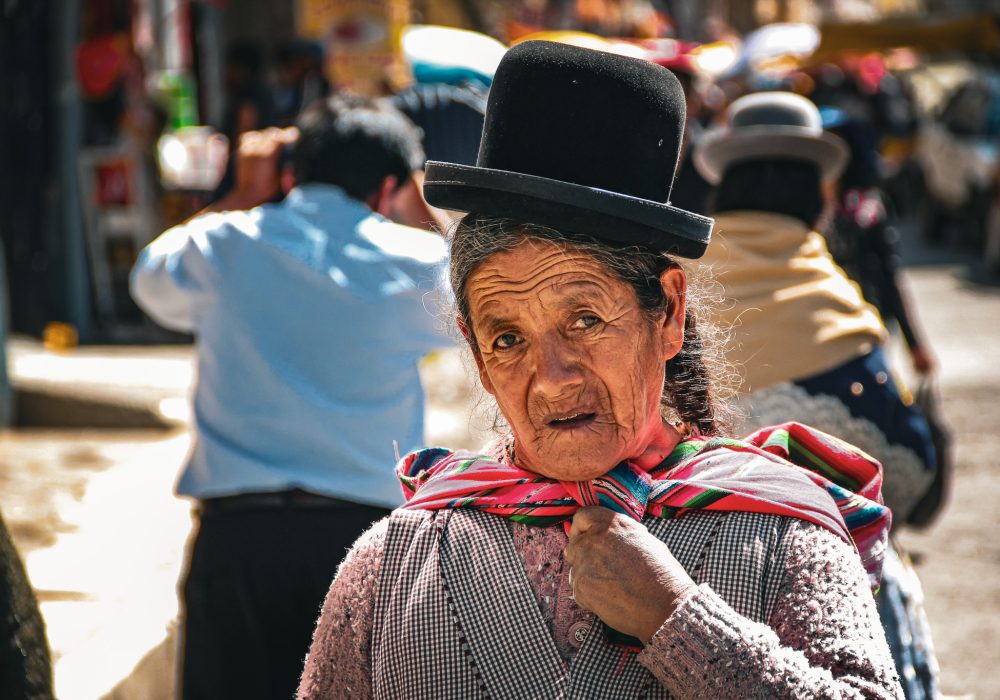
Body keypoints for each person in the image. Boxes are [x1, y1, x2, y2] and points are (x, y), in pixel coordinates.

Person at [298, 41, 902, 699]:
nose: (551, 378)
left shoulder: (784, 535)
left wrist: (677, 618)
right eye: (507, 338)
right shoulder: (391, 565)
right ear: (476, 352)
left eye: (584, 320)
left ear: (668, 313)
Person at [130, 95, 451, 699]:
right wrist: (422, 208)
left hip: (237, 536)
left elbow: (150, 281)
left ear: (287, 173)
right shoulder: (421, 261)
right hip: (363, 542)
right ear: (389, 187)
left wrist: (239, 197)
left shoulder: (223, 242)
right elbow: (482, 300)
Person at [693, 91, 939, 699]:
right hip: (849, 602)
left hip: (689, 601)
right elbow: (910, 474)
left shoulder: (677, 296)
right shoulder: (836, 309)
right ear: (817, 197)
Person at [821, 107, 936, 377]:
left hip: (867, 324)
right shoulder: (805, 209)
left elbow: (888, 277)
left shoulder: (868, 210)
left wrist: (915, 344)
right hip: (819, 328)